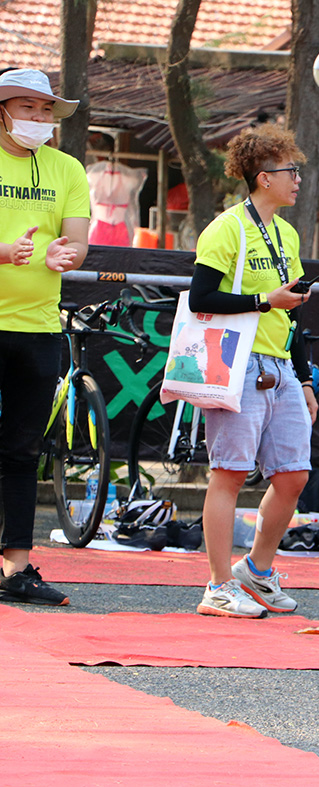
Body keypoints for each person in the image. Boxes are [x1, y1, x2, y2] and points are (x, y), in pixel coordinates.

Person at [189, 124, 318, 619]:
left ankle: (257, 572)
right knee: (229, 473)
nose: (298, 179)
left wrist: (304, 379)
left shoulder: (285, 232)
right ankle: (218, 585)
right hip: (236, 362)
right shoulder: (226, 228)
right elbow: (201, 297)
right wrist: (266, 300)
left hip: (280, 365)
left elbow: (292, 312)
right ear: (264, 177)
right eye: (291, 171)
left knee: (293, 476)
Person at [0, 69, 89, 606]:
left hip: (37, 326)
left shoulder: (67, 168)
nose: (38, 118)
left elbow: (76, 241)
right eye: (27, 107)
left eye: (45, 109)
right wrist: (5, 252)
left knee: (22, 449)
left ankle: (15, 567)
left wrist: (66, 254)